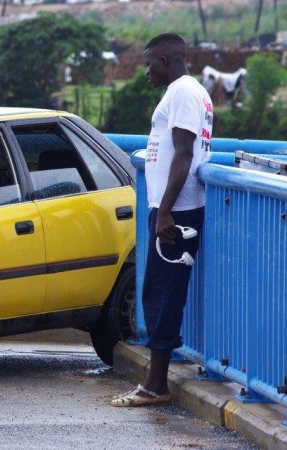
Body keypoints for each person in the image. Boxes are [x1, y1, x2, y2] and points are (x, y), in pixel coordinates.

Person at [112, 33, 212, 407]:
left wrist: (165, 211)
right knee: (159, 292)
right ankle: (155, 382)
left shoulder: (184, 93)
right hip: (173, 209)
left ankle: (156, 386)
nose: (146, 71)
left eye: (149, 63)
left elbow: (184, 155)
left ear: (167, 60)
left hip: (178, 212)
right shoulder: (188, 91)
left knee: (162, 296)